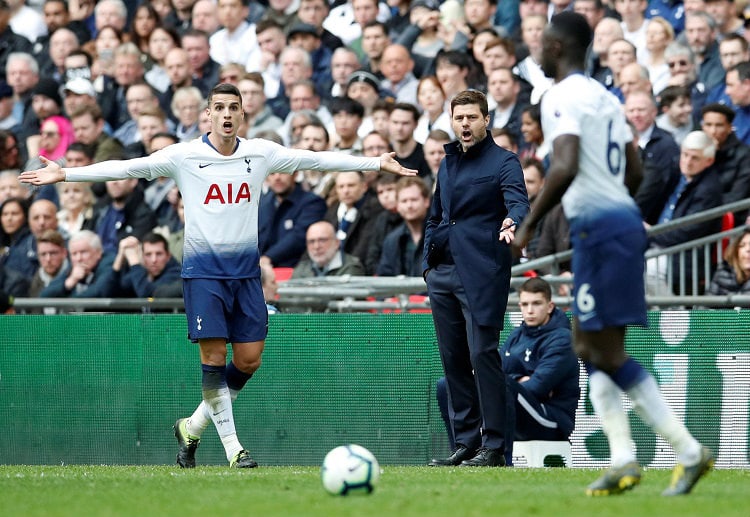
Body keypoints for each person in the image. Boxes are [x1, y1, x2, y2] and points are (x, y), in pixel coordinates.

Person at [20, 82, 416, 469]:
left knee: (249, 360)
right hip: (203, 273)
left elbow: (315, 159)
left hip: (245, 275)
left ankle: (191, 427)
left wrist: (375, 162)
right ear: (207, 115)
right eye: (219, 108)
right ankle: (234, 449)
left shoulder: (261, 154)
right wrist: (67, 174)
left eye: (233, 108)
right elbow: (128, 167)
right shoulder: (184, 156)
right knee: (213, 359)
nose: (227, 114)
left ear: (243, 114)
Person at [513, 11, 714, 496]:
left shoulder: (559, 95)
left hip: (599, 230)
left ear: (557, 47)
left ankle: (687, 450)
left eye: (542, 42)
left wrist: (528, 226)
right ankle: (624, 459)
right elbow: (636, 170)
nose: (537, 49)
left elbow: (562, 164)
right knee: (592, 346)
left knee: (598, 348)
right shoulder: (606, 96)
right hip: (619, 223)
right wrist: (613, 200)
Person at [424, 89, 529, 468]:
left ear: (486, 120)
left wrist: (513, 220)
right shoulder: (447, 163)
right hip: (444, 274)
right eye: (458, 118)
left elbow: (519, 201)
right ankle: (467, 442)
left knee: (482, 355)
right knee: (453, 360)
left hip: (483, 273)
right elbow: (435, 215)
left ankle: (495, 446)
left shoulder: (505, 161)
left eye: (471, 117)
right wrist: (428, 265)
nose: (464, 125)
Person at [436, 277, 579, 449]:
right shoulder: (516, 335)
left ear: (550, 306)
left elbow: (537, 387)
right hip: (518, 406)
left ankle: (500, 456)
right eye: (525, 305)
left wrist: (509, 382)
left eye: (536, 303)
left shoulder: (563, 339)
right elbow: (495, 372)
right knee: (449, 386)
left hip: (550, 420)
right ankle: (463, 449)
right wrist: (518, 379)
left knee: (502, 386)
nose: (530, 310)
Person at [376, 176, 430, 277]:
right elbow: (385, 276)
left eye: (414, 200)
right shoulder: (392, 240)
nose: (409, 206)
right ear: (398, 206)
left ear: (426, 201)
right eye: (404, 201)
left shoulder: (442, 235)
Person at [39, 229, 117, 298]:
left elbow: (99, 292)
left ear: (98, 252)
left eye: (83, 252)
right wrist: (70, 282)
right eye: (74, 254)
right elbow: (44, 294)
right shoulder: (73, 268)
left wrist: (71, 301)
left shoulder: (109, 263)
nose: (78, 258)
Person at [112, 232, 182, 297]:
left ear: (168, 256)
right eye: (148, 254)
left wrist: (134, 261)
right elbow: (108, 292)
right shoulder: (142, 271)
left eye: (159, 254)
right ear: (142, 256)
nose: (153, 260)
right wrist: (120, 257)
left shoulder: (176, 273)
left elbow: (148, 293)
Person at [292, 220, 365, 278]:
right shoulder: (301, 269)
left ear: (337, 242)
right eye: (311, 241)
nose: (316, 246)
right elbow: (287, 296)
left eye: (322, 240)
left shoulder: (351, 267)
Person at [708, 228, 750, 295]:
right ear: (735, 252)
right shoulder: (722, 274)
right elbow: (706, 303)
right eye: (742, 245)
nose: (748, 249)